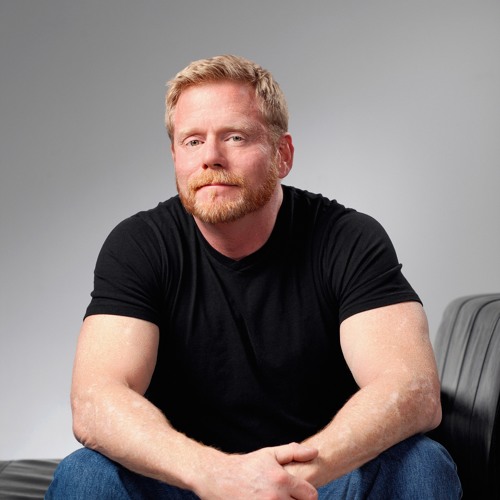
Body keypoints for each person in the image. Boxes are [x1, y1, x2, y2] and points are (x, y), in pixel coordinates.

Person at [47, 55, 461, 499]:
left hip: (320, 480)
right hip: (189, 483)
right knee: (84, 475)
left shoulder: (347, 238)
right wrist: (217, 475)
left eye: (235, 137)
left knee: (420, 465)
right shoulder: (140, 245)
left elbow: (411, 389)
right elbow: (96, 400)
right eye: (192, 141)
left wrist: (284, 479)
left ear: (282, 154)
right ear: (175, 156)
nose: (211, 157)